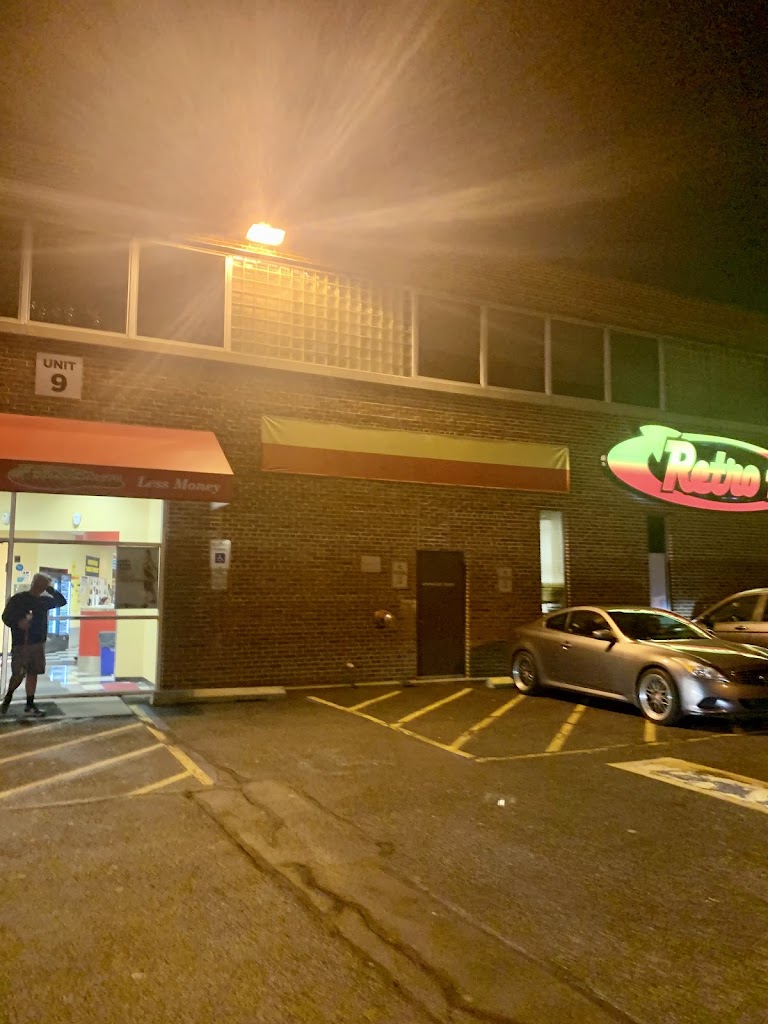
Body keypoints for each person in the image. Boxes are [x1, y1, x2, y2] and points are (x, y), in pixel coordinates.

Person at [1, 573, 67, 718]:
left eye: (44, 586)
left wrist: (50, 589)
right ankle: (7, 699)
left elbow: (62, 601)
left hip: (38, 643)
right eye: (41, 584)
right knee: (18, 674)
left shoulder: (44, 601)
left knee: (33, 673)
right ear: (35, 583)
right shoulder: (18, 599)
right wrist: (18, 622)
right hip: (21, 643)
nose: (42, 588)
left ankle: (29, 704)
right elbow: (5, 617)